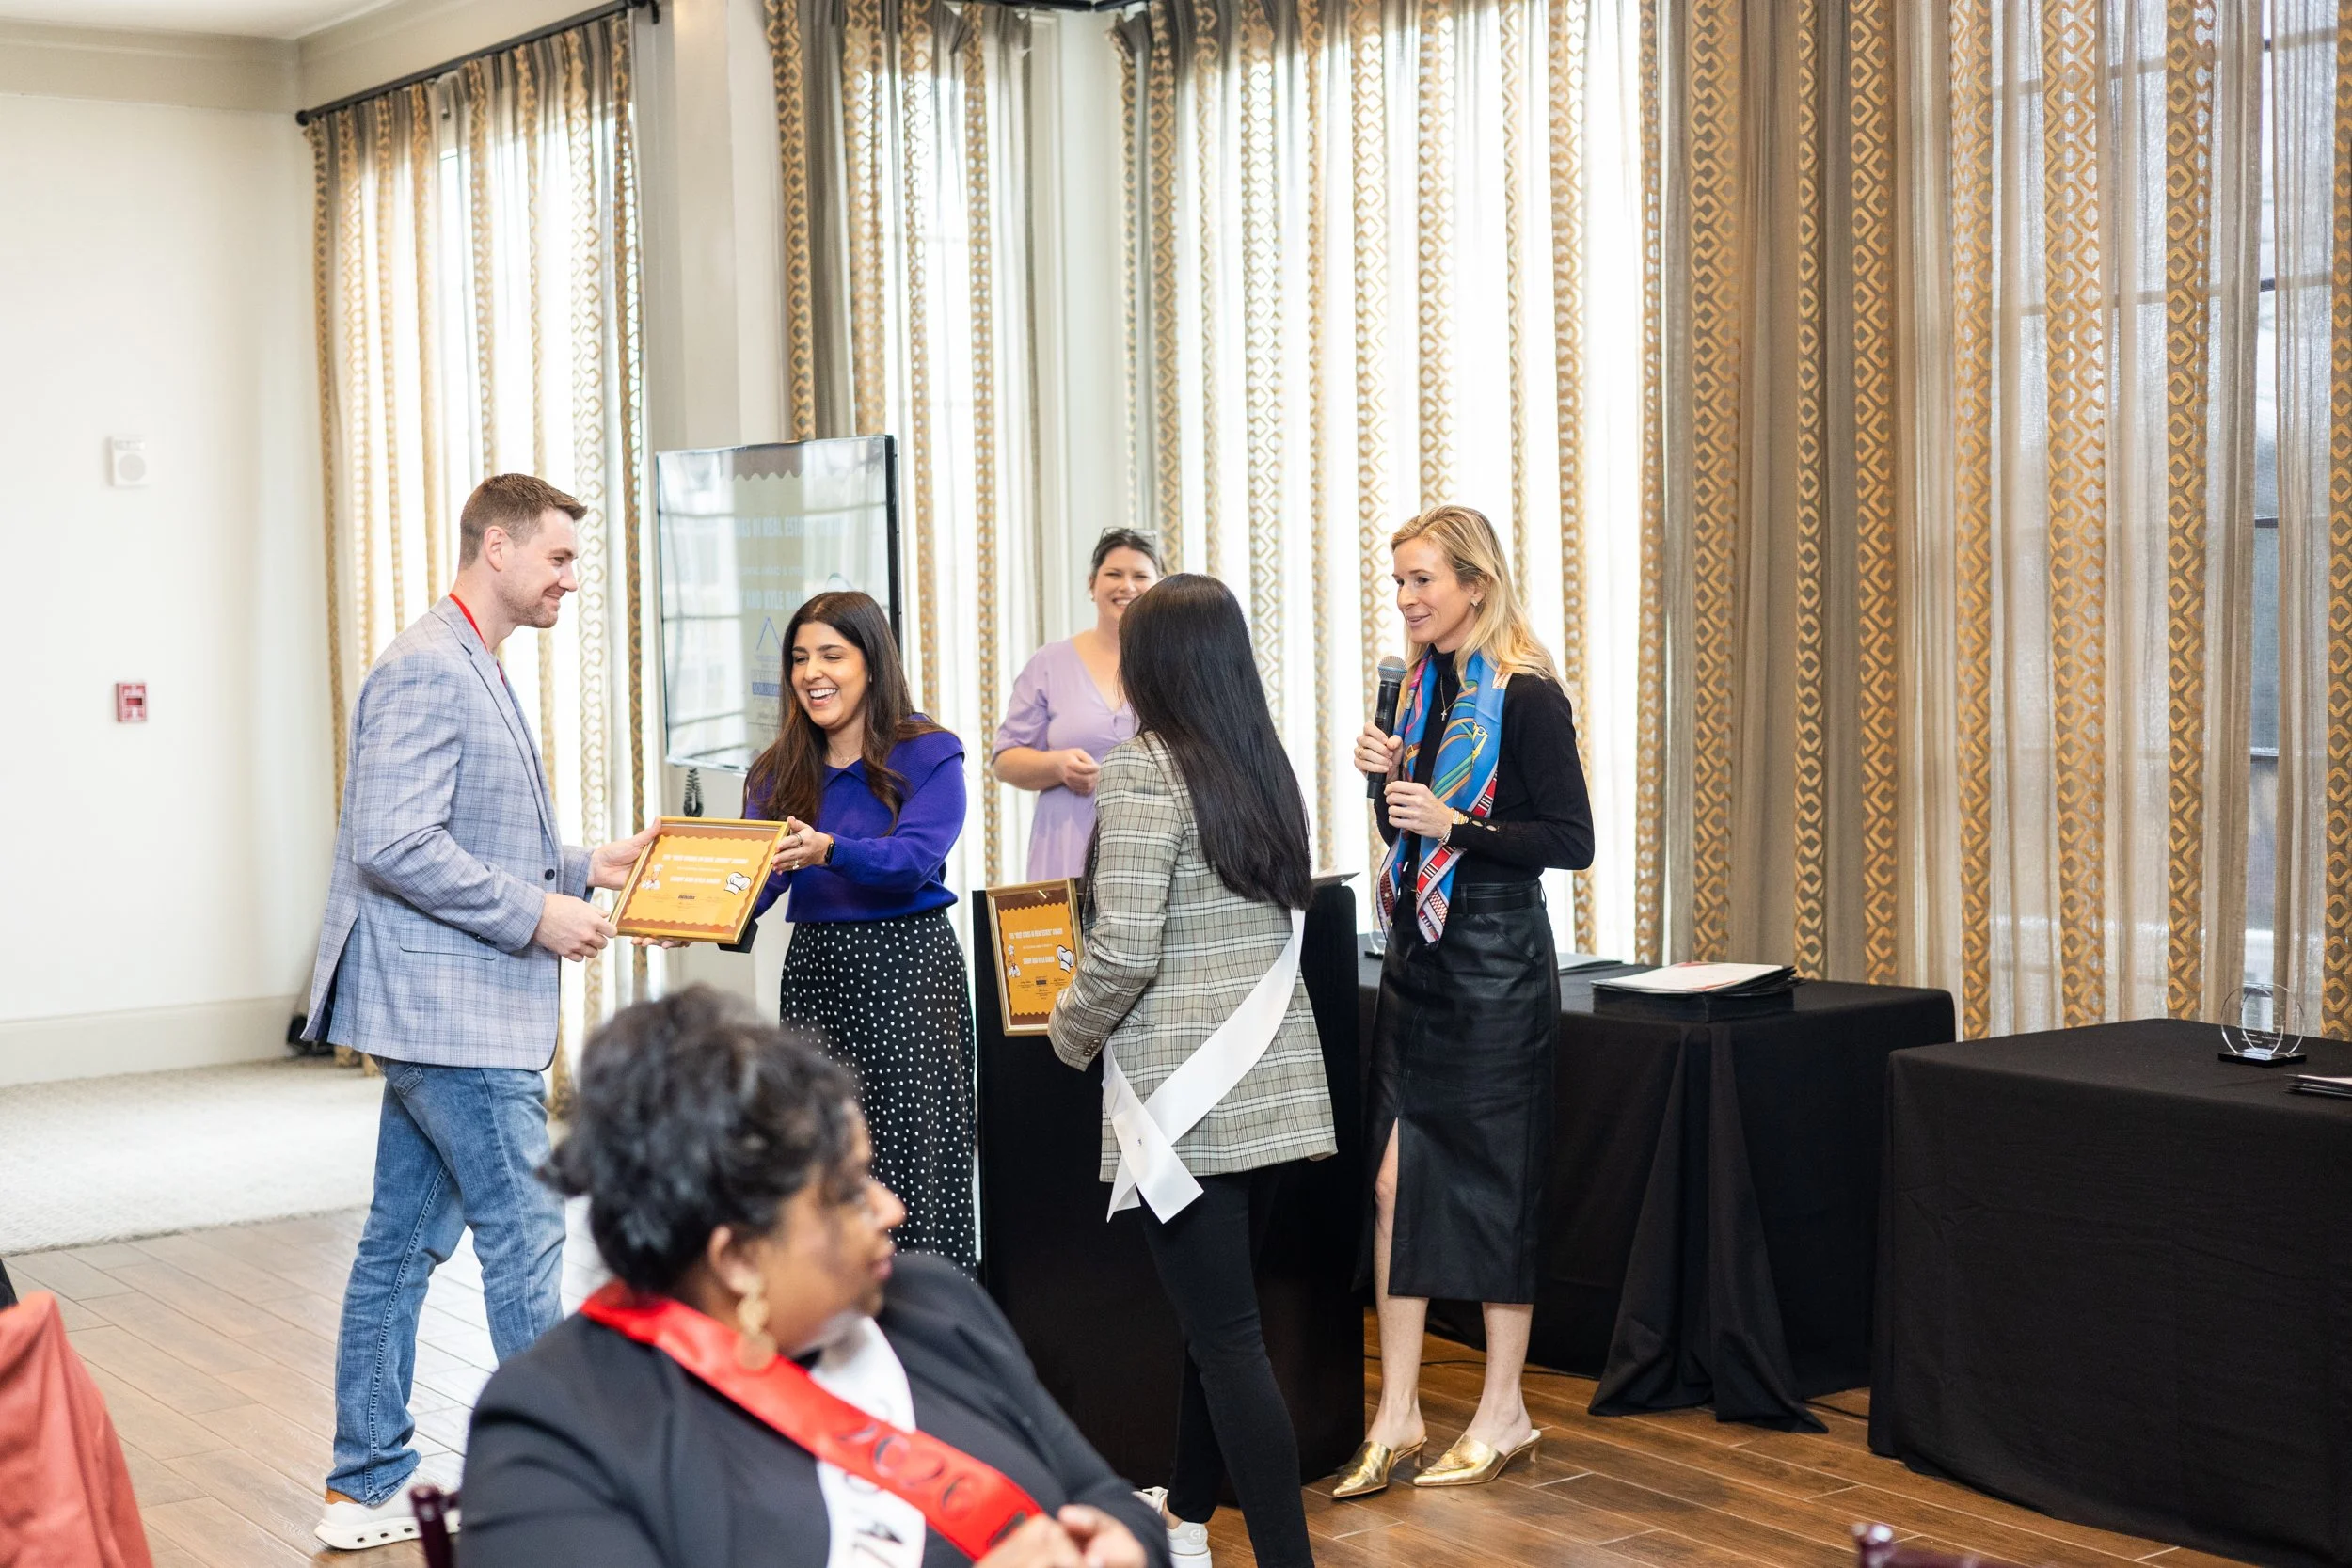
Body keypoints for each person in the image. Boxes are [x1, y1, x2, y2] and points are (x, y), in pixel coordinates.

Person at [461, 986, 1166, 1568]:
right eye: (850, 1191)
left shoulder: (931, 1303)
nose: (893, 1207)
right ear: (738, 1256)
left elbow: (1106, 1493)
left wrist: (1122, 1542)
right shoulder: (556, 1428)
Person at [298, 473, 659, 1550]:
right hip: (451, 1010)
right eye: (556, 558)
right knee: (526, 1231)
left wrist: (587, 864)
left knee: (398, 1247)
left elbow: (466, 832)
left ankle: (363, 1480)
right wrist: (537, 915)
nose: (569, 579)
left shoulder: (467, 658)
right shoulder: (425, 667)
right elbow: (395, 842)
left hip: (442, 1007)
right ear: (494, 547)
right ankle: (561, 1484)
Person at [1049, 574, 1335, 1568]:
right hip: (1269, 1091)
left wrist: (1063, 1028)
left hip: (1185, 1099)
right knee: (1217, 1323)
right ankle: (1188, 1518)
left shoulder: (1141, 772)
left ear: (1160, 660)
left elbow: (1123, 948)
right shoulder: (1261, 764)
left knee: (1226, 1340)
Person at [1342, 503, 1594, 1496]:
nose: (1405, 599)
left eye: (1422, 581)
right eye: (1398, 581)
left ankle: (1504, 1409)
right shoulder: (1410, 685)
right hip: (1418, 951)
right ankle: (1398, 1410)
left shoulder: (1527, 693)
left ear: (1474, 586)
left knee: (1492, 1180)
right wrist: (1383, 780)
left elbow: (1567, 838)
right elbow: (1403, 824)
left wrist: (1457, 823)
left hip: (1494, 959)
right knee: (1394, 1181)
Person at [743, 590, 978, 1273]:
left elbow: (913, 860)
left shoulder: (930, 752)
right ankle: (832, 1336)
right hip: (817, 973)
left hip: (908, 974)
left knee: (914, 1162)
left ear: (871, 662)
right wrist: (691, 916)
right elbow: (758, 876)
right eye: (798, 658)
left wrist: (830, 849)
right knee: (820, 1158)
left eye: (830, 655)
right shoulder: (776, 768)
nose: (812, 672)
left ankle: (927, 1345)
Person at [992, 530, 1162, 880]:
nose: (1126, 586)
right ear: (1091, 583)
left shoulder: (1173, 666)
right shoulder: (1049, 662)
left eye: (1140, 576)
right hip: (1065, 847)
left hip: (1153, 847)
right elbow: (1005, 760)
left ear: (1160, 586)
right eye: (1114, 574)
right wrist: (1056, 765)